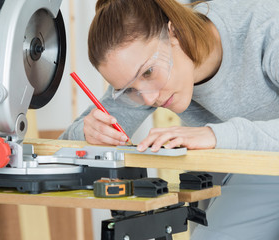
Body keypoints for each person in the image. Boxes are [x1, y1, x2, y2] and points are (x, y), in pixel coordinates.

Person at [60, 0, 279, 239]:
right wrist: (87, 133)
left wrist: (216, 135)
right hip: (232, 167)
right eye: (129, 90)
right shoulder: (146, 78)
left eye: (148, 72)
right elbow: (66, 144)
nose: (149, 98)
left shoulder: (266, 26)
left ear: (174, 32)